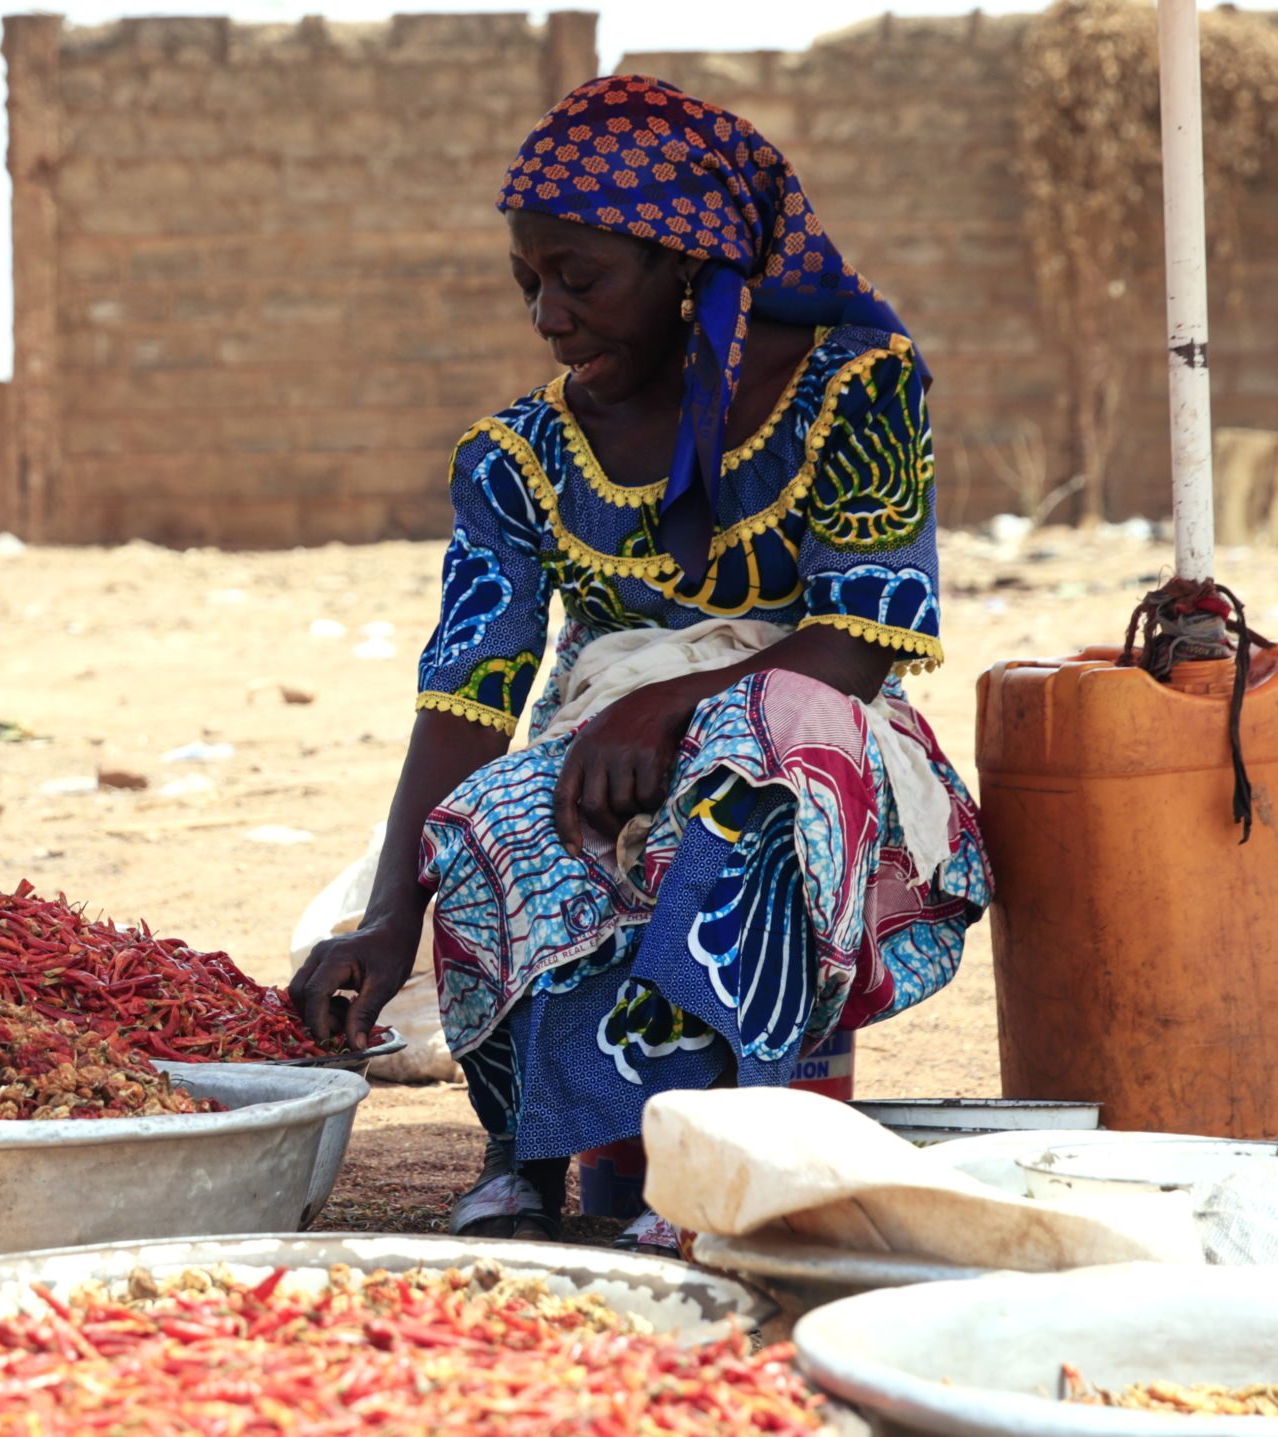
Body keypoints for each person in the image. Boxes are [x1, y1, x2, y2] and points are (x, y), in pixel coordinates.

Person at [290, 76, 992, 1254]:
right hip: (604, 747)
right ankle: (527, 1158)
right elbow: (470, 691)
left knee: (755, 752)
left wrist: (671, 704)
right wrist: (382, 920)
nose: (548, 320)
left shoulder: (855, 387)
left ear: (687, 268)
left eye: (580, 279)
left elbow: (867, 630)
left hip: (827, 755)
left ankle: (742, 1136)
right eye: (530, 285)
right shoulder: (515, 458)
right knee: (486, 812)